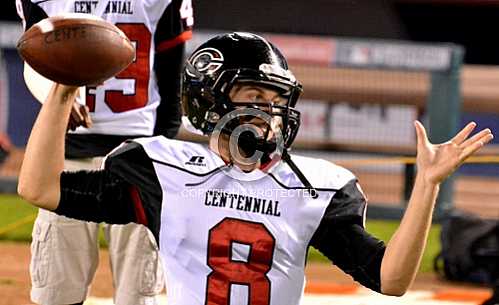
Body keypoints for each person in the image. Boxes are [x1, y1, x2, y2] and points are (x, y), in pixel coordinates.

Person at [18, 32, 494, 305]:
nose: (269, 113)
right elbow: (38, 188)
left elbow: (391, 281)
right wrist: (63, 92)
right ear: (210, 101)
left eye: (276, 100)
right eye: (254, 97)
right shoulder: (164, 170)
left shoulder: (315, 187)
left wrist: (427, 186)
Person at [16, 0, 193, 304]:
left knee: (137, 292)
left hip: (137, 155)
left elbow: (172, 77)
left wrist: (159, 154)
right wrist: (55, 99)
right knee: (57, 290)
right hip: (68, 153)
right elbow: (35, 59)